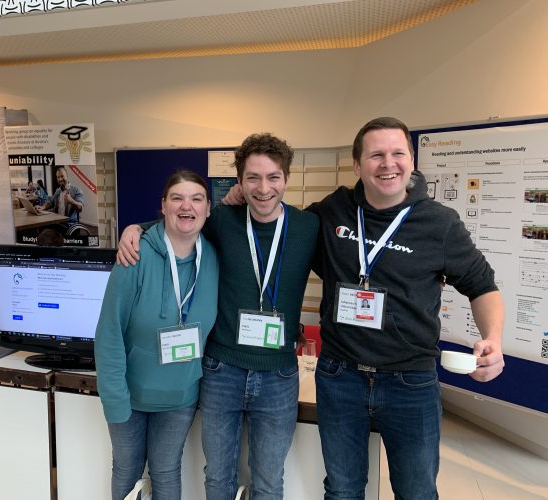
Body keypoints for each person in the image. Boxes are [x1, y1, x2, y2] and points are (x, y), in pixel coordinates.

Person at [307, 117, 505, 499]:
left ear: (411, 161)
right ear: (357, 165)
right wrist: (236, 199)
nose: (388, 163)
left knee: (416, 492)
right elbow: (279, 226)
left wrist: (492, 339)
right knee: (342, 489)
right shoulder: (333, 211)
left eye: (398, 153)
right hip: (339, 376)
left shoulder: (440, 224)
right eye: (376, 154)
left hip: (410, 382)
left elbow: (483, 286)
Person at [118, 133, 318, 499]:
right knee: (218, 478)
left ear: (287, 179)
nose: (263, 188)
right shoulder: (223, 219)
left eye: (273, 177)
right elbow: (180, 221)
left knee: (269, 483)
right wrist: (136, 229)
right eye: (253, 177)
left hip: (278, 375)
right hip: (221, 371)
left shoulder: (308, 228)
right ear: (239, 181)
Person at [95, 170, 219, 500]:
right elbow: (108, 333)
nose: (186, 206)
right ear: (162, 206)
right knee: (126, 470)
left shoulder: (213, 258)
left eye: (196, 199)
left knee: (166, 471)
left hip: (180, 397)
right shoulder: (134, 255)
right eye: (177, 198)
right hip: (130, 397)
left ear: (208, 208)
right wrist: (115, 401)